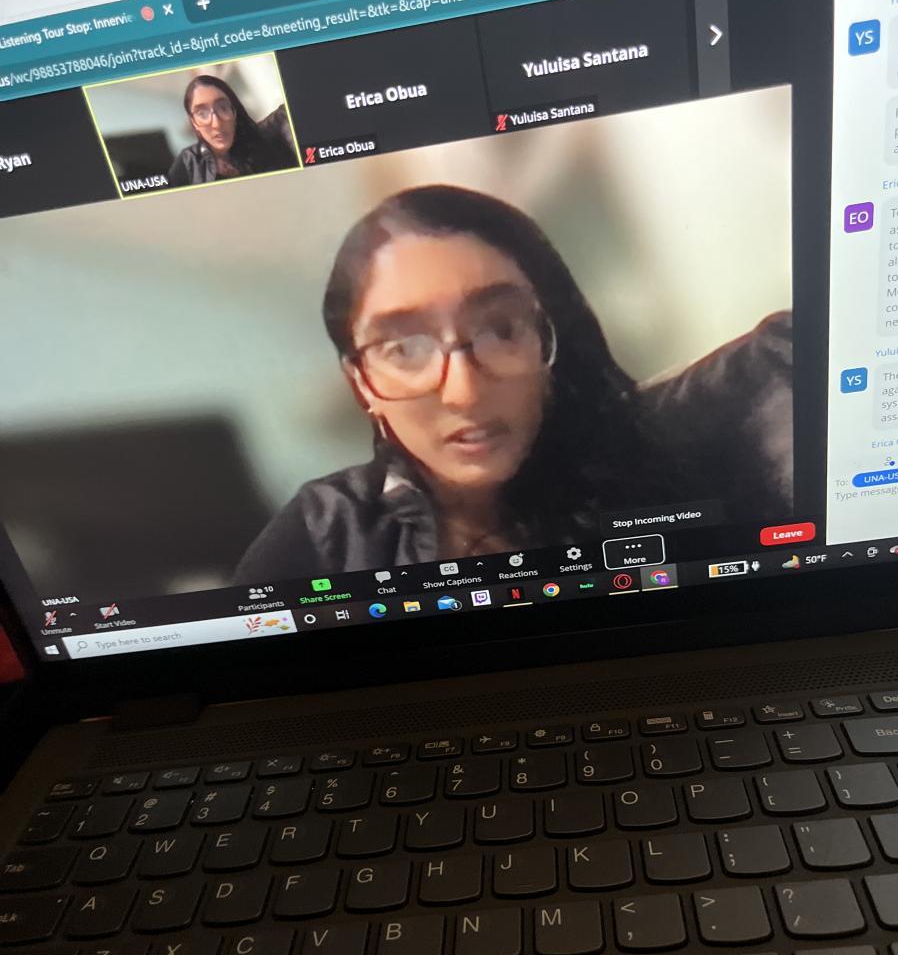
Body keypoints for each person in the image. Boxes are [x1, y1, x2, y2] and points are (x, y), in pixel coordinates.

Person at [235, 184, 792, 580]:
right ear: (361, 383)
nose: (464, 392)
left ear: (553, 337)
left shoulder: (674, 464)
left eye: (501, 331)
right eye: (403, 349)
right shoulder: (327, 533)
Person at [167, 73, 297, 187]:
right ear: (194, 122)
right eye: (202, 114)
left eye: (223, 108)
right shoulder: (188, 165)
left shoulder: (269, 138)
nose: (216, 124)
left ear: (234, 111)